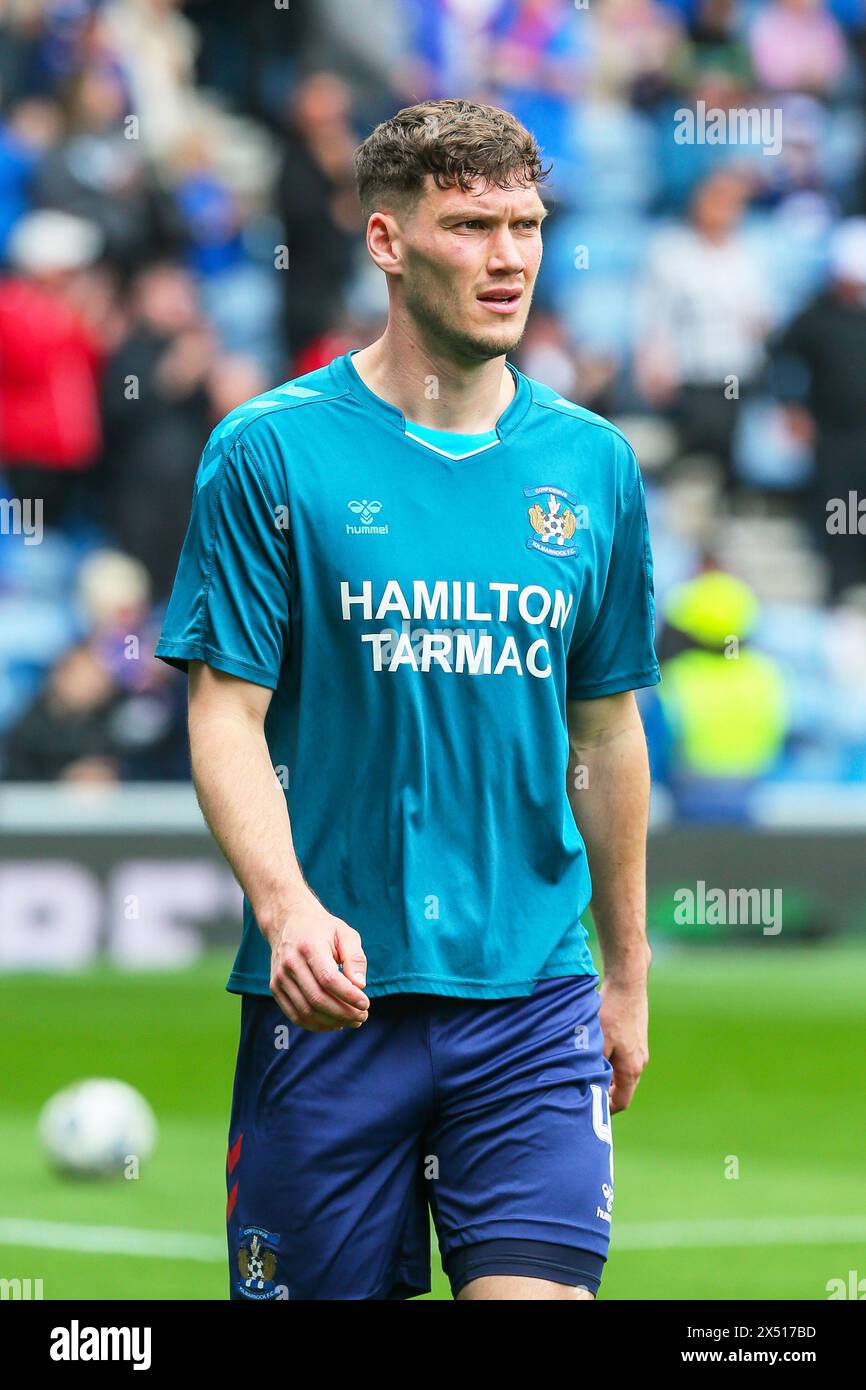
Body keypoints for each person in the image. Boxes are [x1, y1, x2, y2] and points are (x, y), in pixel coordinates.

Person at [156, 98, 660, 1302]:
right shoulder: (269, 451)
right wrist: (284, 909)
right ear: (385, 240)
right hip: (332, 1002)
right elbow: (224, 712)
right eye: (471, 224)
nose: (508, 258)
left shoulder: (591, 463)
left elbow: (604, 728)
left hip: (532, 996)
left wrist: (625, 973)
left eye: (526, 224)